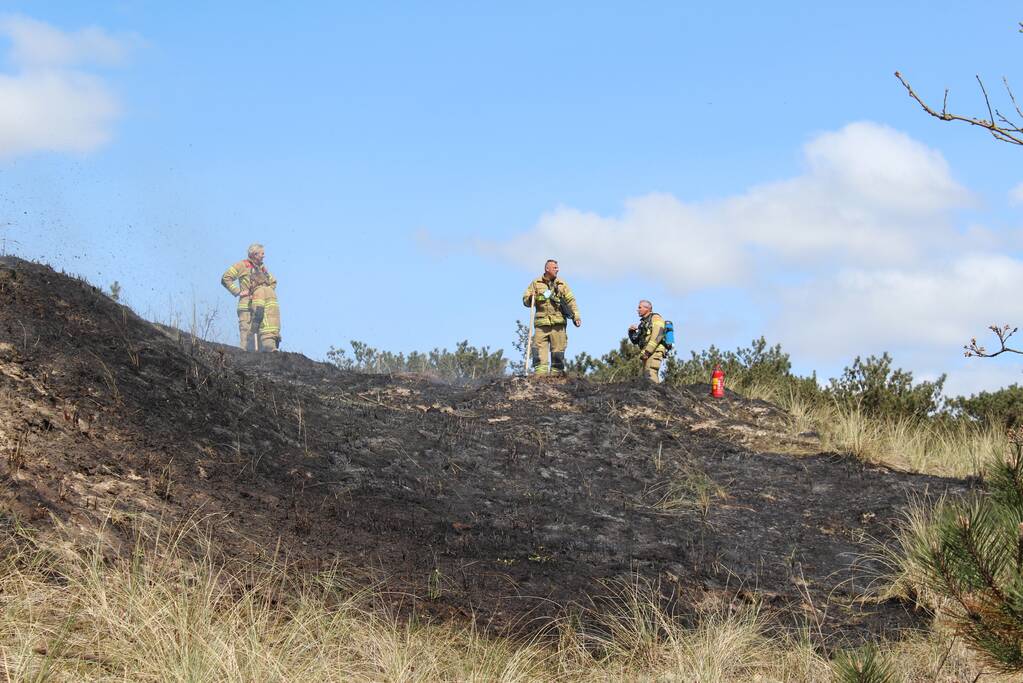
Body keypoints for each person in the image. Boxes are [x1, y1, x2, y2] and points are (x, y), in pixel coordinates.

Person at [522, 259, 581, 374]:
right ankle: (539, 378)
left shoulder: (562, 284)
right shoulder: (536, 283)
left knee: (558, 353)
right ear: (547, 269)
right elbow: (525, 300)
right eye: (554, 268)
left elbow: (571, 301)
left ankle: (556, 378)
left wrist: (576, 317)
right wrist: (531, 298)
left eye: (557, 268)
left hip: (558, 324)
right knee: (538, 352)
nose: (557, 269)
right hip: (541, 325)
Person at [221, 243, 281, 351]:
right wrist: (238, 291)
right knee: (246, 335)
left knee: (259, 336)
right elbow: (226, 278)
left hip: (260, 306)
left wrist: (264, 292)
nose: (264, 256)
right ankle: (243, 357)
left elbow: (273, 282)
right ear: (254, 254)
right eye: (262, 254)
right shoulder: (242, 265)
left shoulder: (262, 269)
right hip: (246, 307)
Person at [628, 299, 667, 382]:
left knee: (650, 373)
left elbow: (659, 334)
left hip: (654, 351)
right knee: (646, 375)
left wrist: (648, 351)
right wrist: (631, 332)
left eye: (640, 307)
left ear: (647, 308)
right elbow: (636, 340)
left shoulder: (656, 318)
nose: (637, 310)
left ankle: (655, 394)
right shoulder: (643, 323)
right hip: (648, 353)